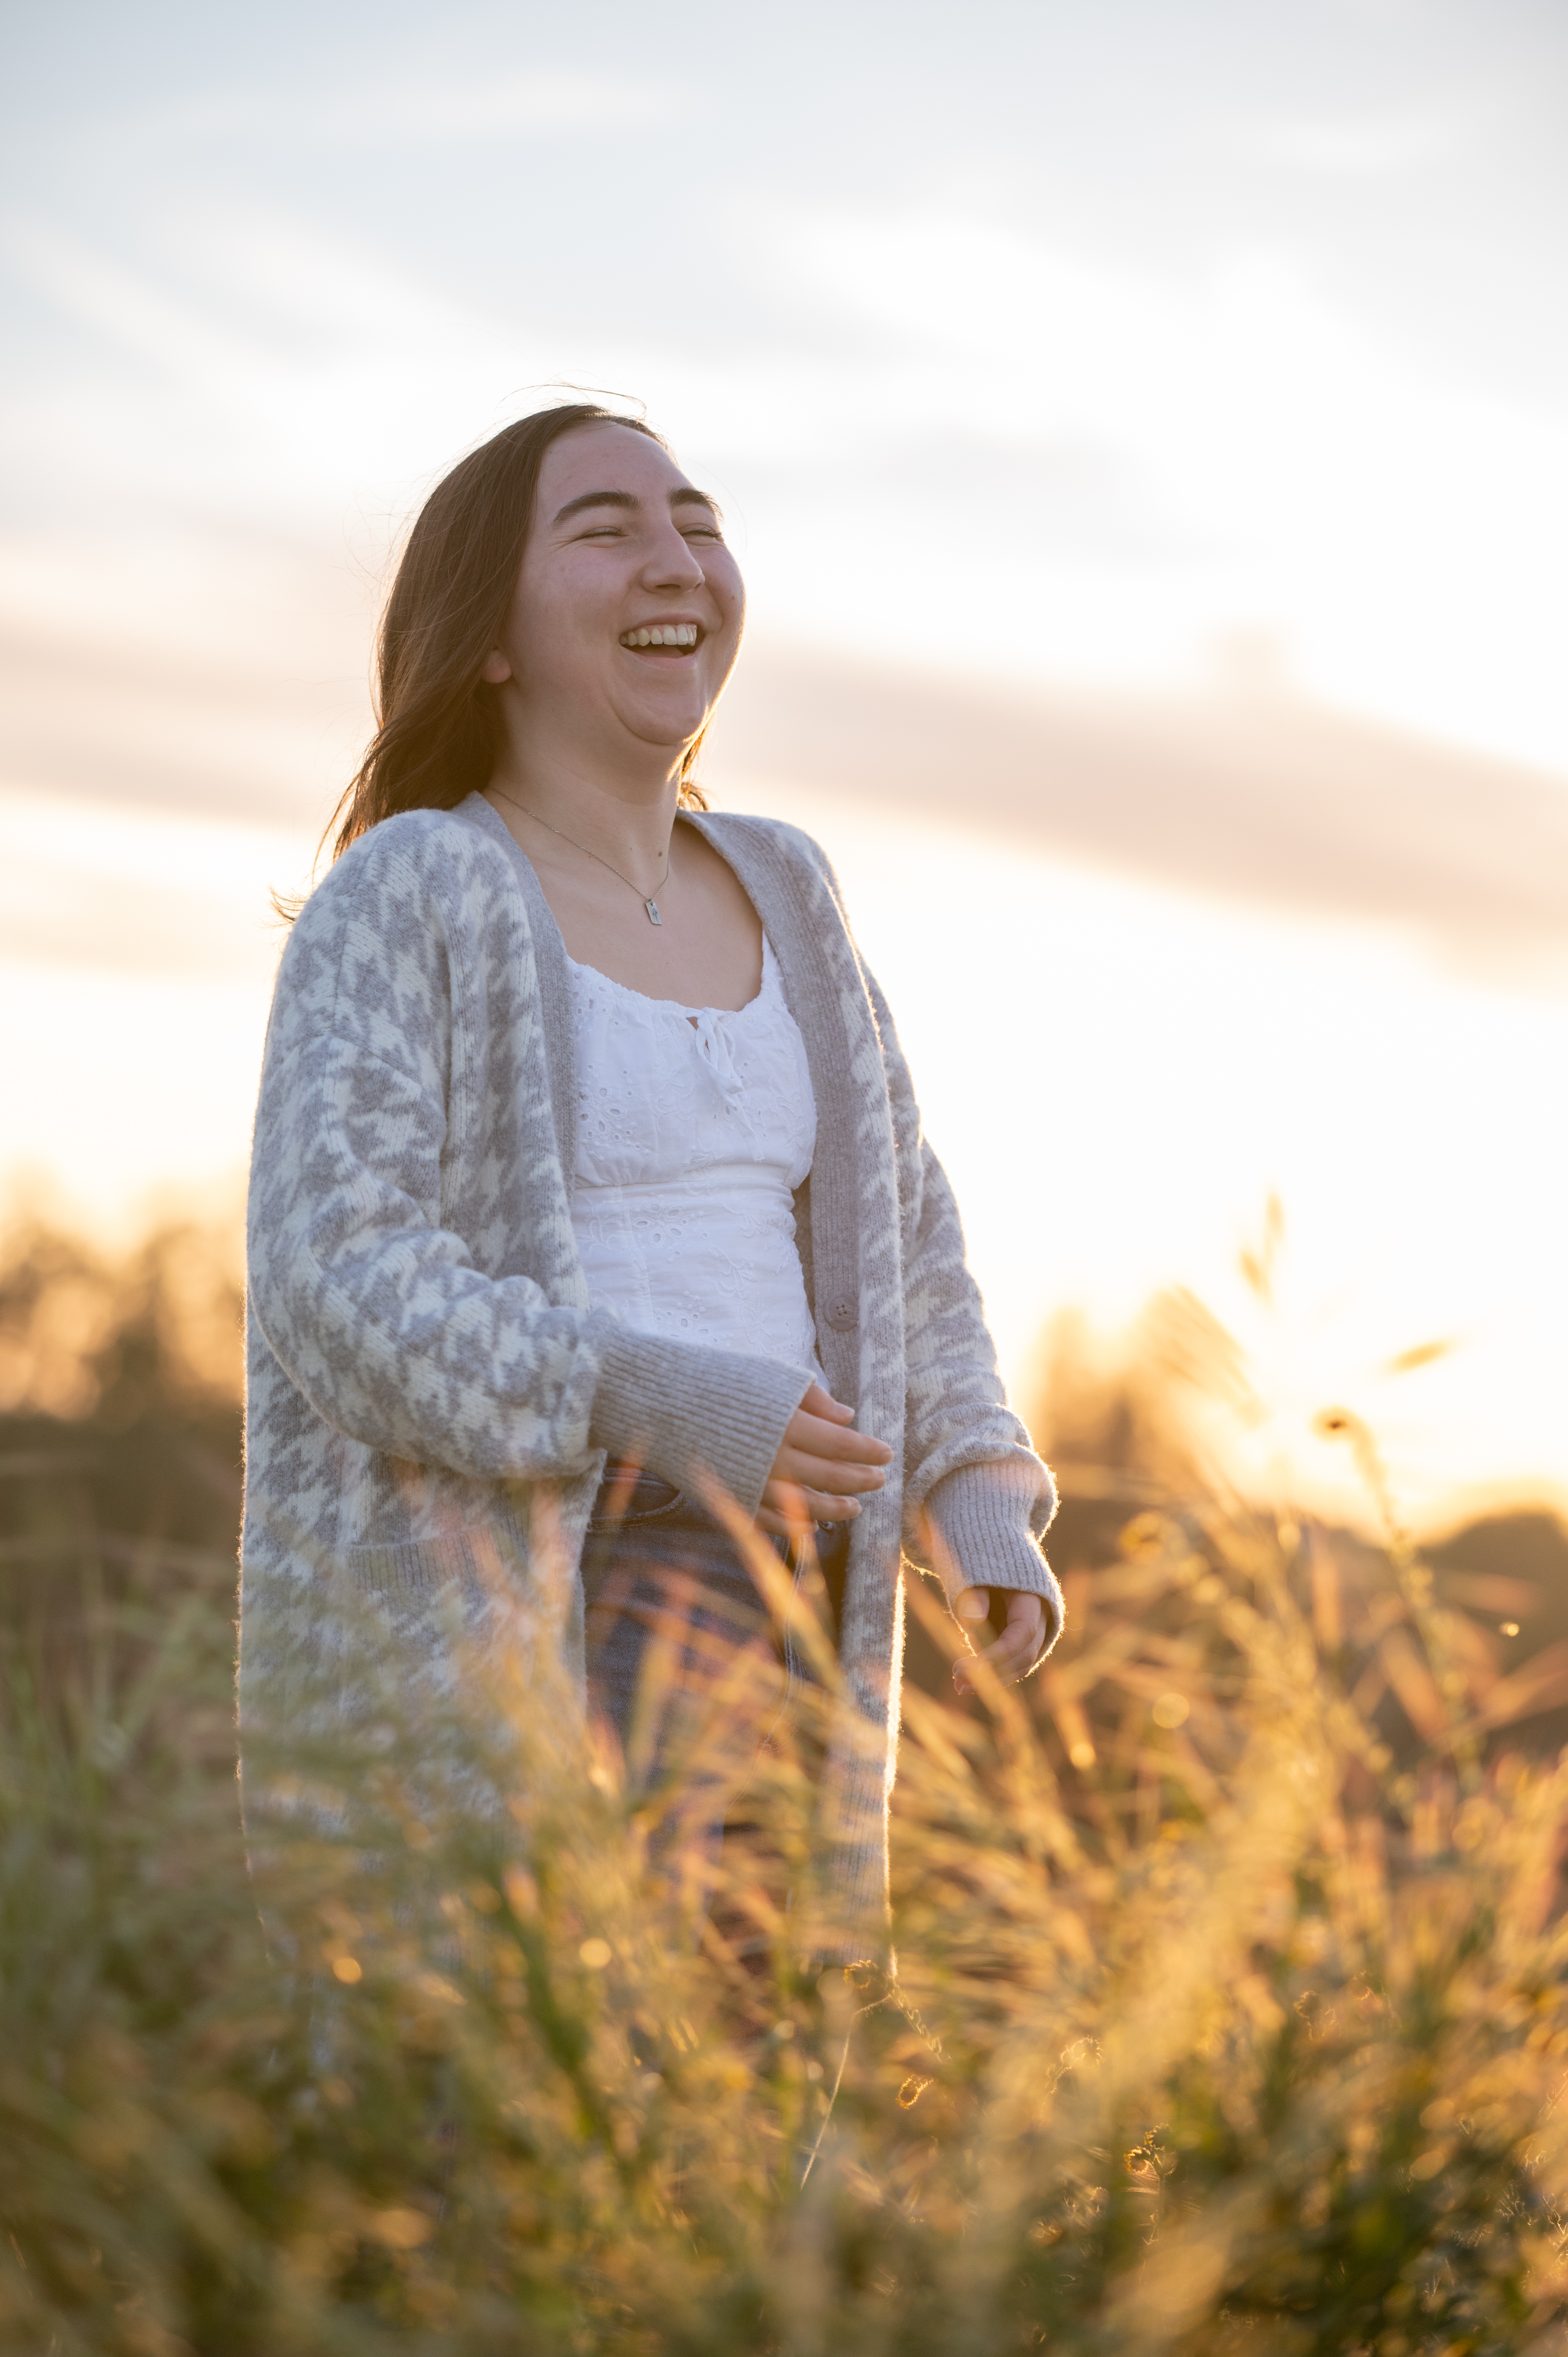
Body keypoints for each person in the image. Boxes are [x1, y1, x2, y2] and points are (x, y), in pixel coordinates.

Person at [239, 401, 1062, 1954]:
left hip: (804, 1588)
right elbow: (334, 1276)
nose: (675, 559)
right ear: (489, 636)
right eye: (605, 529)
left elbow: (905, 1236)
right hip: (564, 1584)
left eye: (698, 522)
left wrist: (969, 1490)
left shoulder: (790, 885)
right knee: (569, 2062)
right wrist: (659, 1400)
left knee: (763, 2076)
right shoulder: (409, 891)